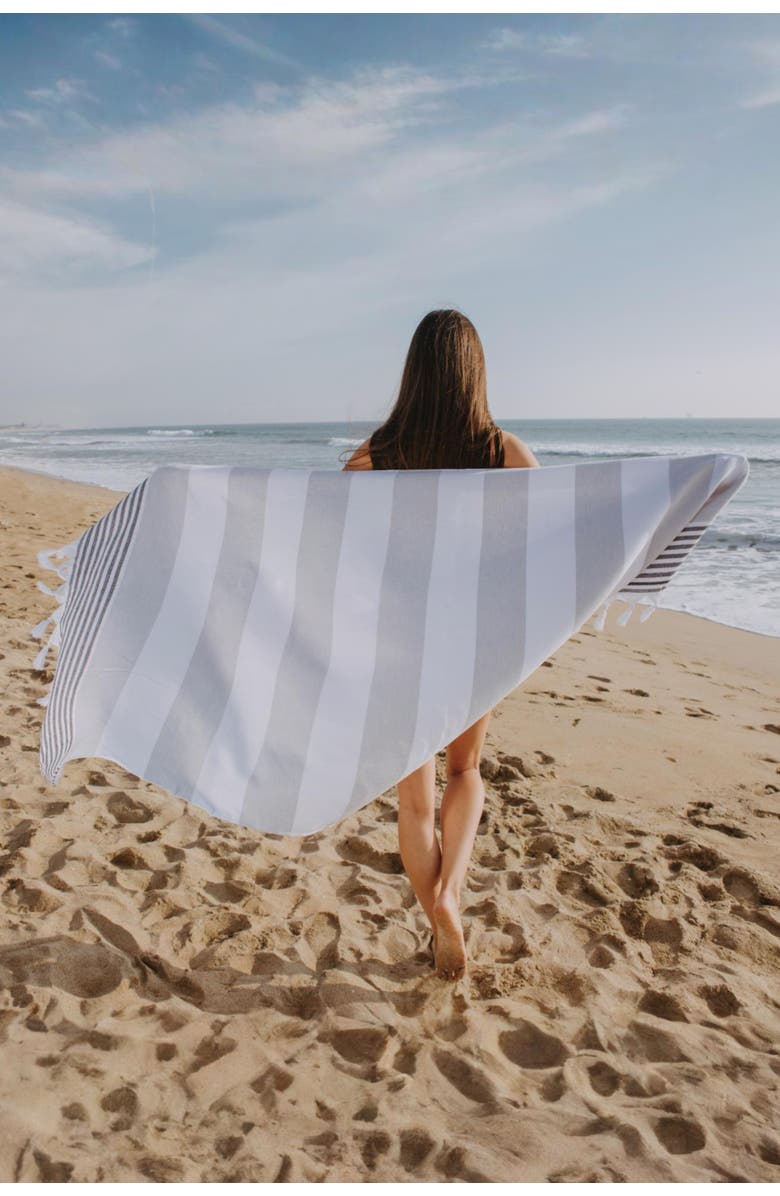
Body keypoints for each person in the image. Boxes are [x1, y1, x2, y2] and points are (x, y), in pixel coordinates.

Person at [342, 308, 539, 980]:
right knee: (466, 771)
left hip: (400, 639)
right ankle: (451, 895)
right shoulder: (504, 453)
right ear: (474, 374)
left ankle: (436, 919)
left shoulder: (374, 457)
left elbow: (338, 547)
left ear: (414, 374)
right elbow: (546, 540)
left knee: (415, 796)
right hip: (476, 637)